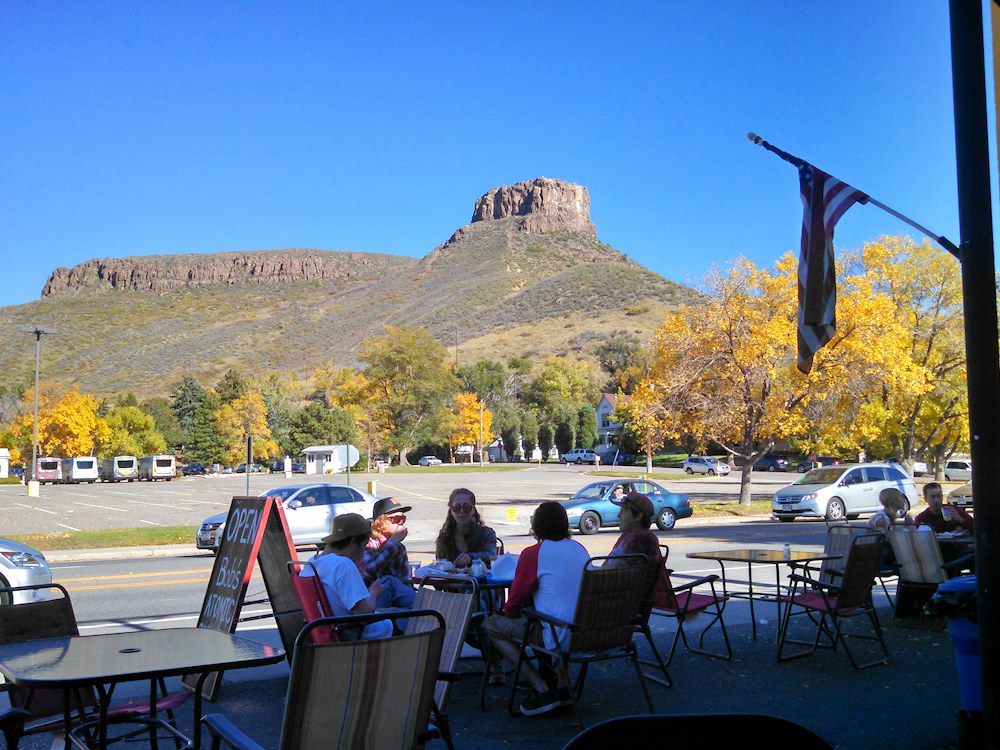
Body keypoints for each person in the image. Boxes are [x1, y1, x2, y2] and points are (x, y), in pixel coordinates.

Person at [482, 501, 590, 717]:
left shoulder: (533, 554)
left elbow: (514, 603)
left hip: (557, 635)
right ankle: (561, 683)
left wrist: (512, 615)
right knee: (550, 614)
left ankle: (541, 687)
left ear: (537, 526)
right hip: (586, 633)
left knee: (491, 624)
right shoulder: (580, 549)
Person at [302, 513, 393, 640]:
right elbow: (364, 616)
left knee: (395, 609)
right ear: (354, 541)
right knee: (414, 618)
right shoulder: (343, 565)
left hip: (333, 630)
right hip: (362, 634)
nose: (362, 553)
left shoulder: (309, 565)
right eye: (364, 545)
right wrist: (374, 593)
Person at [358, 496, 416, 609]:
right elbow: (369, 568)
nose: (401, 522)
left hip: (394, 600)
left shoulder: (399, 547)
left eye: (403, 519)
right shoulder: (368, 543)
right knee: (388, 582)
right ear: (381, 521)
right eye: (396, 519)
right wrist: (393, 542)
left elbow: (404, 581)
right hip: (370, 600)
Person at [435, 488, 497, 568]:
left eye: (466, 507)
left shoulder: (486, 533)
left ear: (473, 510)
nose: (462, 511)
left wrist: (470, 557)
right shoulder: (444, 537)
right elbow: (440, 564)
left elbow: (492, 555)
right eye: (457, 507)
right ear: (451, 511)